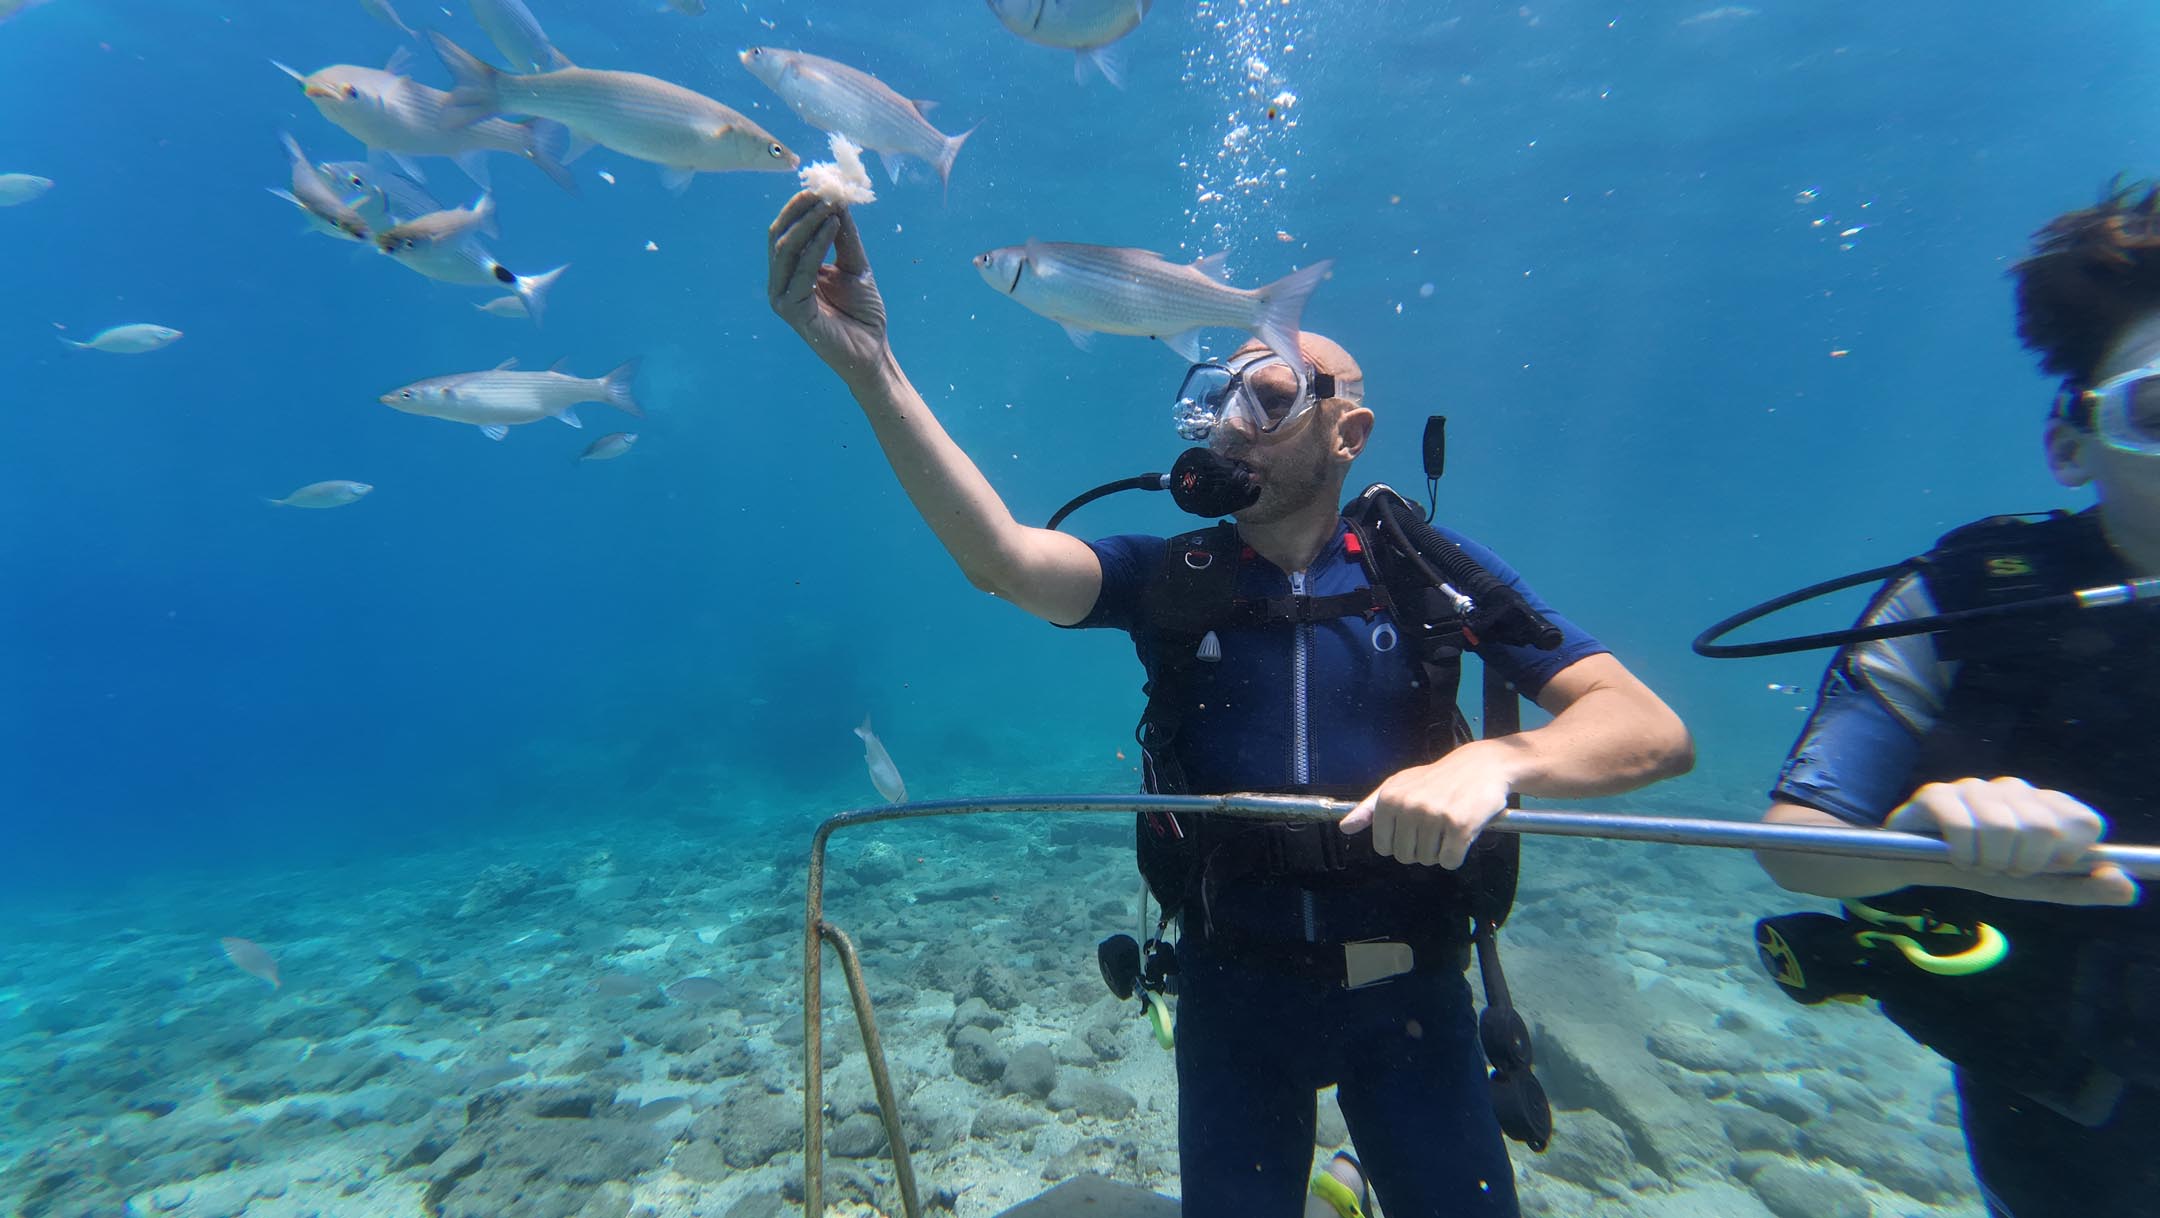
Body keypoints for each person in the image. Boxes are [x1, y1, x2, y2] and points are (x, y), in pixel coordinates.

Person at [767, 191, 1694, 1218]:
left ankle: (1346, 1185)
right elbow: (1004, 561)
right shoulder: (1176, 576)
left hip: (1412, 993)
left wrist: (1497, 763)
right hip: (1232, 995)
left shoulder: (1424, 571)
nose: (1231, 423)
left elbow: (1647, 729)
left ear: (1349, 432)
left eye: (1271, 396)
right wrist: (871, 366)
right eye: (1218, 399)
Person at [1753, 182, 2160, 1218]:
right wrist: (1920, 843)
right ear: (2070, 441)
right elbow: (1798, 844)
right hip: (2068, 1112)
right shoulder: (1970, 595)